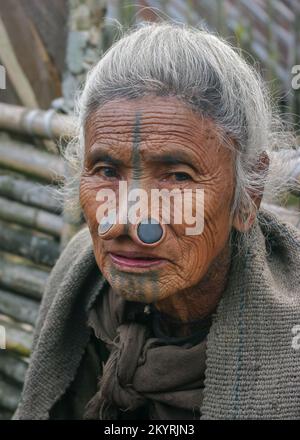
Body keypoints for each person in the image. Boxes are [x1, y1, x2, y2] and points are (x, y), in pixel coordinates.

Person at [14, 22, 300, 420]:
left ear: (247, 196)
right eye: (107, 171)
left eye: (178, 176)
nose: (130, 220)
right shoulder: (79, 280)